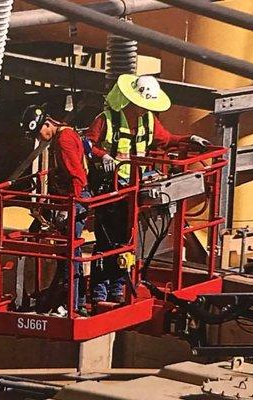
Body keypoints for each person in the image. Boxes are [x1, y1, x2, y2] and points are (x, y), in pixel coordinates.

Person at [84, 74, 212, 306]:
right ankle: (100, 295)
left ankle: (117, 291)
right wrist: (103, 156)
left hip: (134, 187)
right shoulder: (106, 120)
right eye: (142, 106)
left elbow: (166, 139)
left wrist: (188, 139)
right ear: (131, 101)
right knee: (107, 243)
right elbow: (87, 144)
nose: (144, 110)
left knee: (126, 242)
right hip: (109, 190)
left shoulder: (149, 121)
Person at [20, 104, 90, 317]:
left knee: (70, 253)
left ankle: (73, 304)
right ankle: (70, 301)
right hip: (72, 200)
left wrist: (70, 207)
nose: (40, 138)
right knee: (70, 252)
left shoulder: (64, 141)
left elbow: (77, 176)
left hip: (74, 200)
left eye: (39, 132)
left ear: (47, 123)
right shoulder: (65, 136)